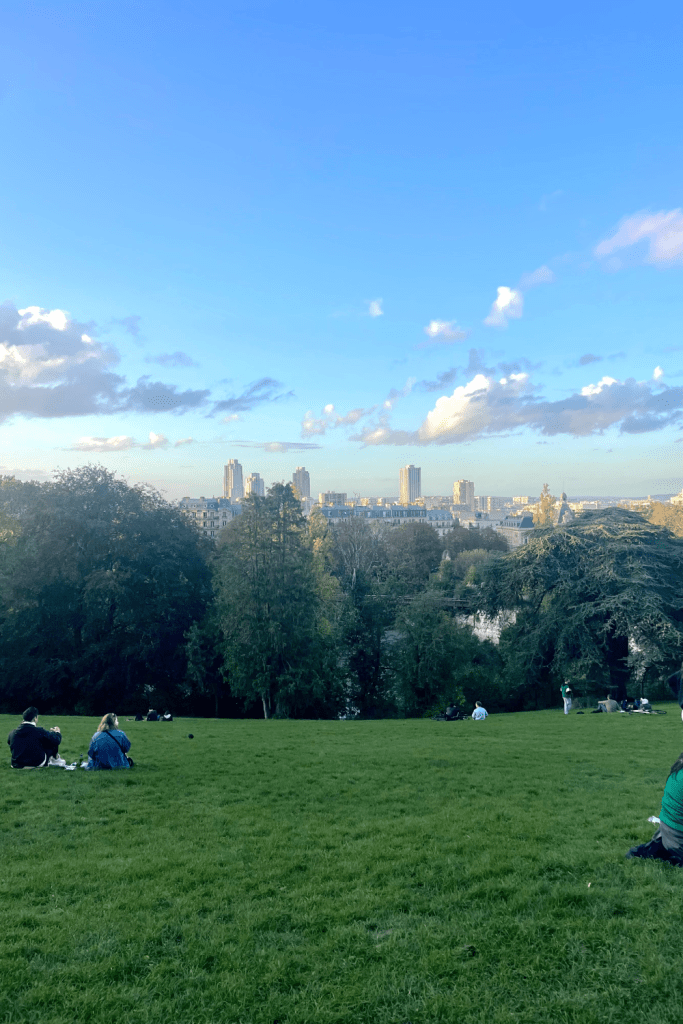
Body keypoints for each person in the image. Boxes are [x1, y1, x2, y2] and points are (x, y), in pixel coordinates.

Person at [626, 751, 683, 866]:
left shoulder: (679, 769)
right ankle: (667, 854)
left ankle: (659, 849)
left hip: (667, 833)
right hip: (678, 839)